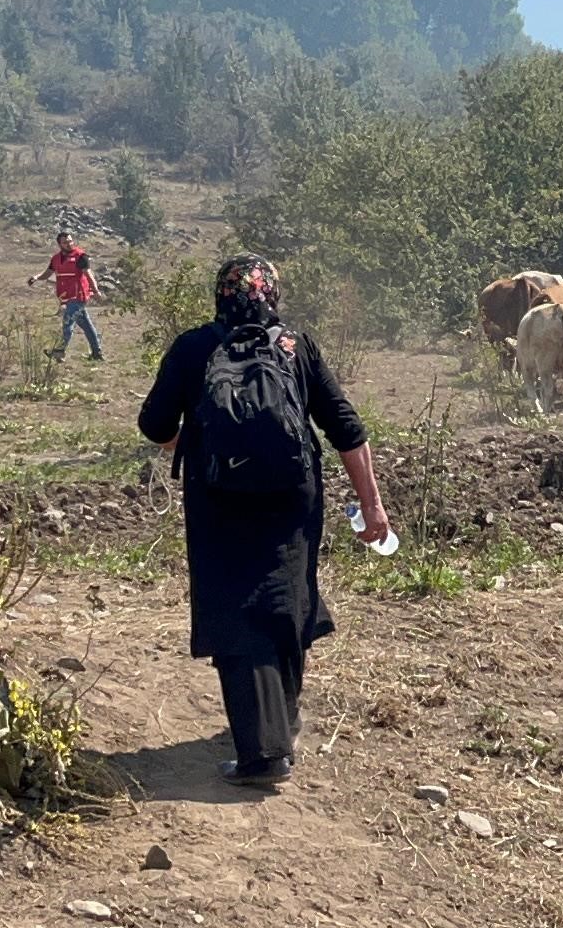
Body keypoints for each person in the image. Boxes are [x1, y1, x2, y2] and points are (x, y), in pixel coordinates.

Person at [137, 255, 393, 788]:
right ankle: (286, 719)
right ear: (270, 295)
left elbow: (154, 423)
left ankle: (262, 753)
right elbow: (346, 428)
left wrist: (197, 444)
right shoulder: (295, 347)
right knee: (288, 593)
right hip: (292, 495)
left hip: (218, 497)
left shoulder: (193, 348)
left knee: (236, 606)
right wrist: (372, 504)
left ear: (220, 296)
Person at [31, 229, 105, 362]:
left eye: (70, 241)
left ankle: (59, 351)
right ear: (60, 244)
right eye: (65, 242)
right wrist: (36, 277)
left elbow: (89, 275)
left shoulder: (81, 256)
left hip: (78, 296)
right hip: (66, 296)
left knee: (68, 322)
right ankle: (97, 353)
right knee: (86, 326)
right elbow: (48, 273)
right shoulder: (56, 258)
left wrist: (96, 290)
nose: (69, 244)